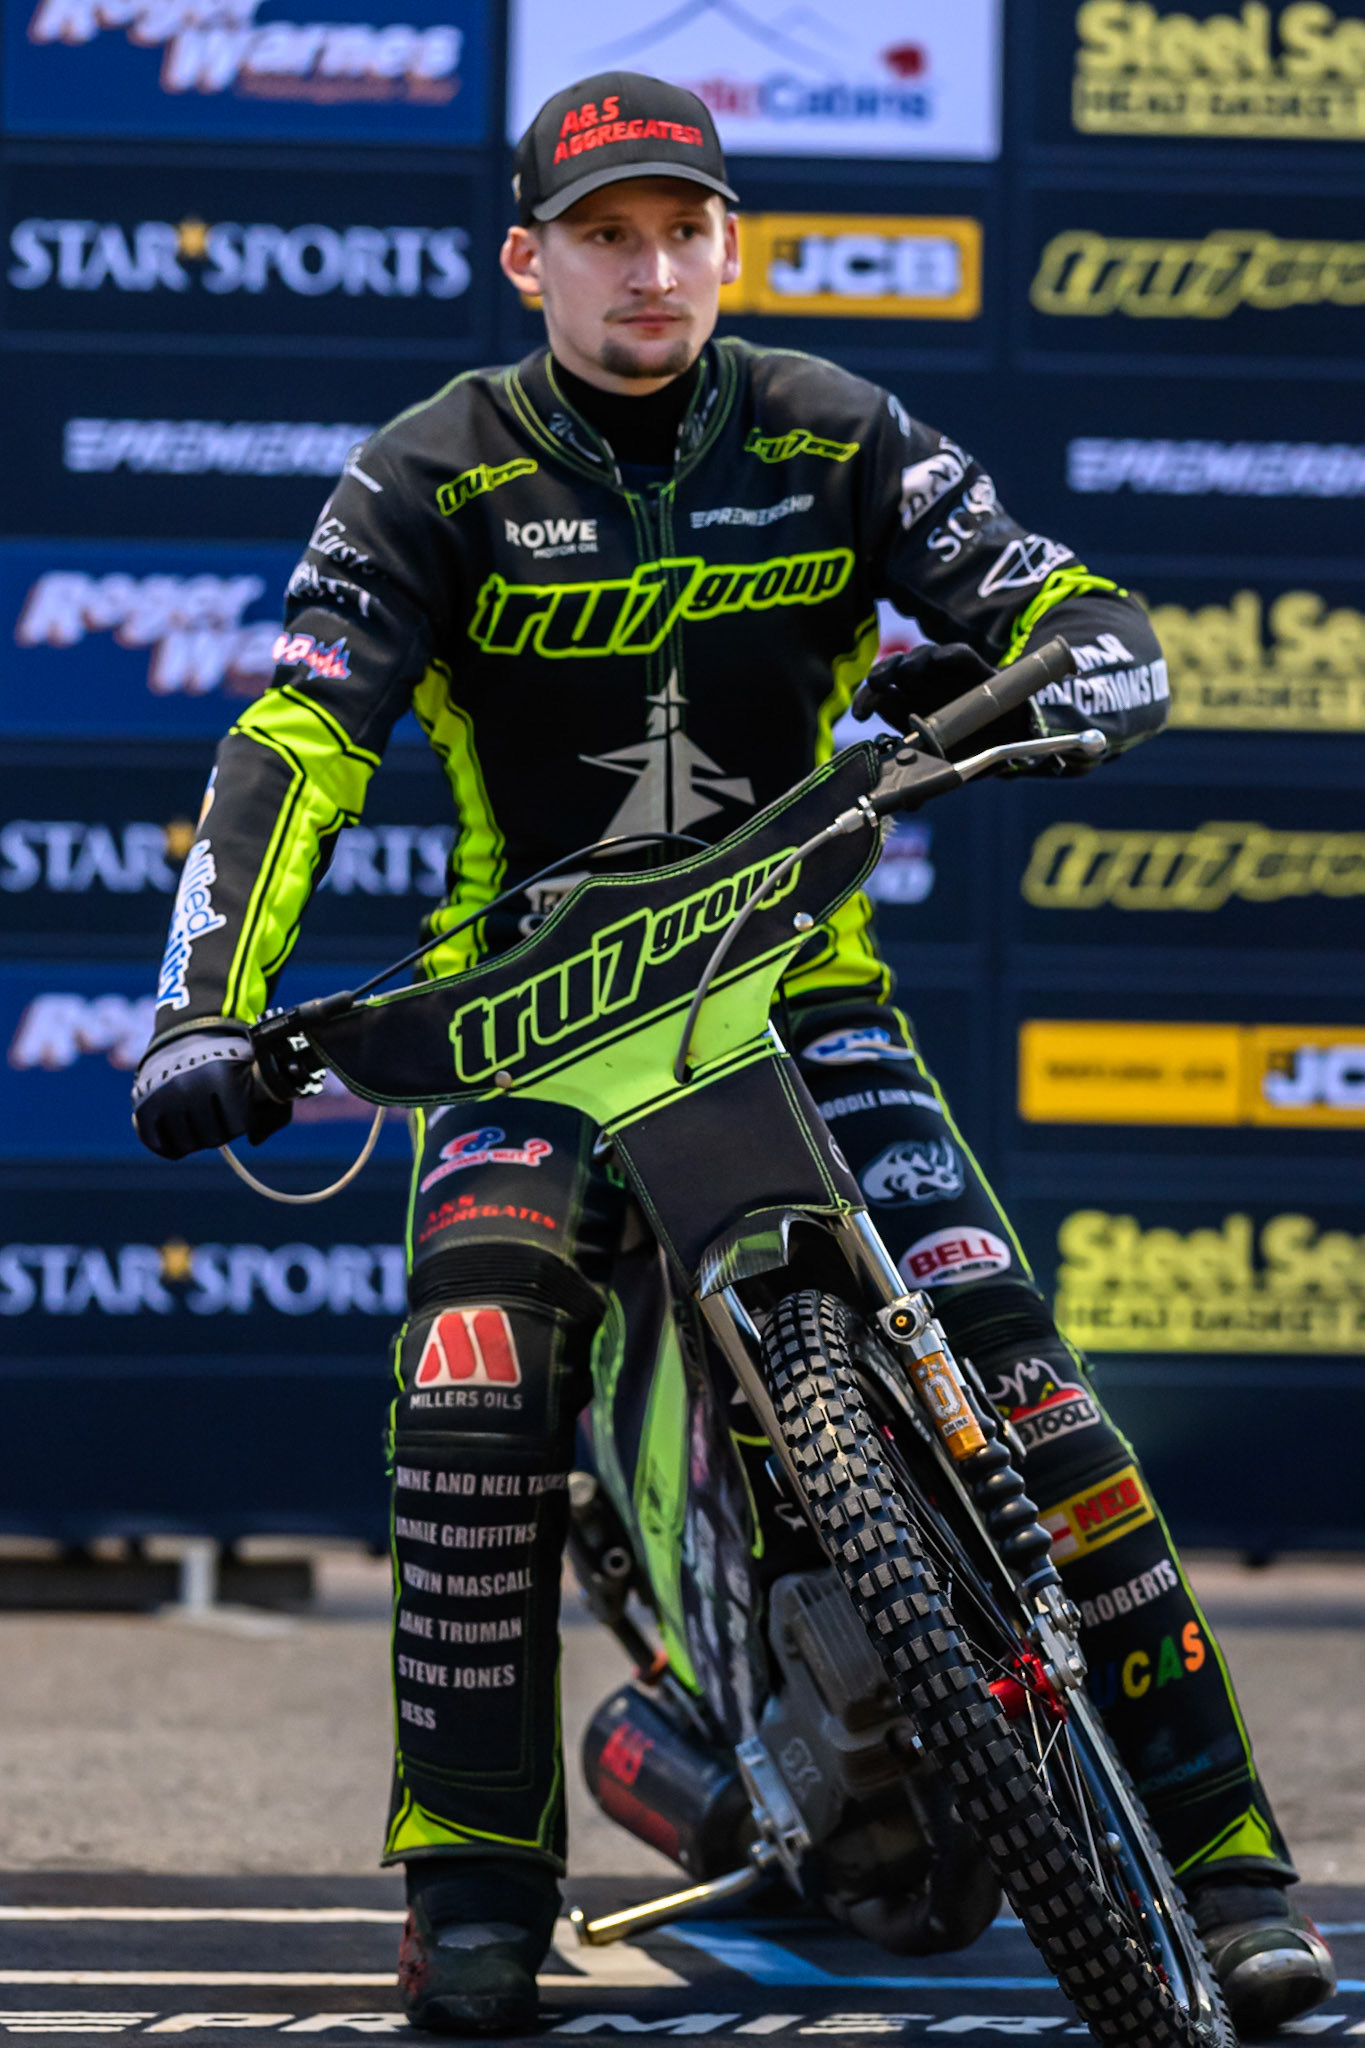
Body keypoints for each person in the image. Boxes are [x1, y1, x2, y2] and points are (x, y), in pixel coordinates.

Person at [131, 71, 1335, 2039]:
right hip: (529, 1015)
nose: (647, 269)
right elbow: (298, 744)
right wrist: (202, 1008)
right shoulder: (427, 470)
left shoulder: (831, 428)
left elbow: (1066, 604)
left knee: (1032, 1392)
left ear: (728, 247)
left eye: (680, 228)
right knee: (474, 1385)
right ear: (528, 260)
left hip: (793, 993)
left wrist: (1081, 663)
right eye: (603, 235)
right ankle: (472, 1894)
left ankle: (1228, 1881)